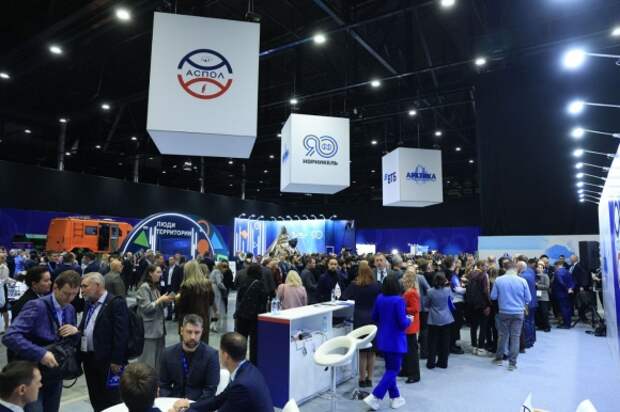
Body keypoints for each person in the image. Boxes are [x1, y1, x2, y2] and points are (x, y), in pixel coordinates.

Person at [3, 270, 80, 412]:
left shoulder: (70, 309)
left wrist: (75, 332)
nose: (69, 298)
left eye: (74, 294)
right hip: (33, 375)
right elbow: (10, 336)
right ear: (55, 287)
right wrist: (41, 353)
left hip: (55, 375)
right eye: (66, 293)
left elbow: (70, 342)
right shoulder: (36, 306)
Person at [171, 332, 273, 412]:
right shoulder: (247, 370)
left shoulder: (241, 385)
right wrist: (189, 406)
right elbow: (219, 400)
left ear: (225, 355)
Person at [79, 272, 130, 411]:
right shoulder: (88, 303)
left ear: (97, 285)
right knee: (95, 397)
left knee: (112, 399)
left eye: (85, 286)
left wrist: (117, 360)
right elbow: (85, 326)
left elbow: (121, 334)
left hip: (109, 362)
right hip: (90, 359)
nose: (82, 290)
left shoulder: (116, 303)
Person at [363, 275, 410, 410]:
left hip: (383, 339)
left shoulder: (380, 298)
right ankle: (375, 396)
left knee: (390, 369)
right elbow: (402, 323)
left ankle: (396, 398)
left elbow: (374, 317)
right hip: (396, 340)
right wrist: (409, 320)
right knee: (394, 370)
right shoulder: (399, 300)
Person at [159, 315, 219, 401]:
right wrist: (170, 403)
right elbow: (163, 385)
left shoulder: (211, 355)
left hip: (198, 403)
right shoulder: (167, 353)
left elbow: (210, 390)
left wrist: (193, 406)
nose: (193, 337)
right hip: (173, 401)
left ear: (202, 332)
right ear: (181, 331)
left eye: (197, 332)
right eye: (189, 332)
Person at [341, 262, 381, 387]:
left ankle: (362, 379)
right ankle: (370, 378)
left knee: (362, 350)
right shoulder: (376, 285)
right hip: (373, 318)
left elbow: (343, 297)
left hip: (359, 318)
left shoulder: (354, 285)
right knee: (372, 350)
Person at [490, 261, 531, 370]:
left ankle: (499, 359)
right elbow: (528, 298)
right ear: (516, 269)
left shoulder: (498, 280)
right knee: (515, 337)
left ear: (504, 268)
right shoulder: (522, 281)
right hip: (518, 312)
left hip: (503, 312)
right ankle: (512, 363)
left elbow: (493, 296)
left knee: (502, 336)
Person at [136, 265, 174, 371]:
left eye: (160, 272)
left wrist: (166, 301)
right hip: (149, 331)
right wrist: (160, 300)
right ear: (150, 273)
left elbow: (158, 306)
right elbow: (146, 308)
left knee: (158, 360)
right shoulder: (144, 287)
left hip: (159, 329)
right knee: (148, 360)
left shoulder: (154, 287)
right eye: (158, 272)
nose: (160, 274)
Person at [234, 264, 267, 365]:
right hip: (255, 317)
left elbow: (239, 297)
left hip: (242, 316)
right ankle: (253, 363)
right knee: (254, 343)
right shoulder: (260, 284)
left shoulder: (244, 282)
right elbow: (264, 300)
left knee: (241, 340)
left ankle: (239, 361)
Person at [176, 261, 215, 345]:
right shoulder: (208, 284)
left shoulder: (186, 287)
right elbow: (211, 302)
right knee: (203, 346)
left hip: (188, 322)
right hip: (203, 321)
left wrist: (177, 299)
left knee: (188, 347)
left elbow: (181, 307)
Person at [425, 273, 454, 369]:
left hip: (433, 319)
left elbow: (426, 304)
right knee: (445, 341)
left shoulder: (430, 291)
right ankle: (443, 363)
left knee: (432, 342)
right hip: (446, 318)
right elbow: (452, 299)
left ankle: (431, 363)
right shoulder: (448, 290)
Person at [466, 261, 491, 356]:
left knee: (474, 326)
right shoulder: (484, 275)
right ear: (480, 266)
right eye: (486, 266)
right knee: (483, 326)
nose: (487, 268)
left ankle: (474, 346)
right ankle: (480, 348)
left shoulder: (470, 274)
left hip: (472, 304)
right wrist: (488, 304)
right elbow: (485, 291)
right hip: (482, 305)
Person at [401, 269, 421, 384]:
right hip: (408, 324)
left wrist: (402, 308)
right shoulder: (409, 291)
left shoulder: (411, 292)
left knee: (411, 352)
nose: (403, 280)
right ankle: (406, 370)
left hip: (410, 325)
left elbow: (415, 309)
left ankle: (414, 374)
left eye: (404, 278)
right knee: (406, 350)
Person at [447, 257, 465, 354]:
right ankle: (452, 346)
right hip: (455, 302)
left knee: (455, 325)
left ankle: (452, 344)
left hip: (455, 301)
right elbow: (457, 289)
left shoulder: (453, 275)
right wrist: (468, 289)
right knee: (455, 325)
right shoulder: (452, 276)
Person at [518, 260, 538, 348]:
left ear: (520, 267)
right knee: (531, 321)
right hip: (533, 301)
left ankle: (527, 341)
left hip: (527, 304)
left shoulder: (522, 277)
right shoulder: (530, 273)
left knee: (526, 322)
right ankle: (532, 339)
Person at [552, 260, 575, 329]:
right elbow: (572, 282)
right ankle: (568, 322)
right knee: (568, 308)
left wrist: (567, 288)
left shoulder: (557, 272)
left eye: (555, 267)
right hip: (568, 293)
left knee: (563, 309)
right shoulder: (567, 272)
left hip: (560, 293)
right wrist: (570, 288)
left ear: (557, 266)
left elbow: (560, 282)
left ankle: (566, 324)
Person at [569, 255, 592, 322]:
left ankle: (583, 317)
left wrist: (582, 286)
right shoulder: (572, 267)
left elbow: (582, 276)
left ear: (575, 259)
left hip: (579, 288)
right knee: (579, 303)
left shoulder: (579, 266)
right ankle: (581, 316)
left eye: (571, 259)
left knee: (582, 303)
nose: (570, 260)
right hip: (575, 288)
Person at [209, 262, 227, 333]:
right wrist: (224, 288)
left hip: (212, 288)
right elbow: (219, 283)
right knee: (217, 307)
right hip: (216, 290)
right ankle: (214, 326)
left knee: (213, 308)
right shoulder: (217, 272)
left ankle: (212, 325)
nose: (225, 269)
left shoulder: (213, 271)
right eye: (224, 267)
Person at [535, 261, 551, 332]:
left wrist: (537, 285)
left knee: (544, 313)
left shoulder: (545, 276)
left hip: (544, 297)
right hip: (536, 297)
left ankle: (547, 326)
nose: (539, 269)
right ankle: (540, 326)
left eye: (541, 267)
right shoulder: (534, 276)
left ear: (543, 269)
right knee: (538, 313)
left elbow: (547, 286)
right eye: (538, 267)